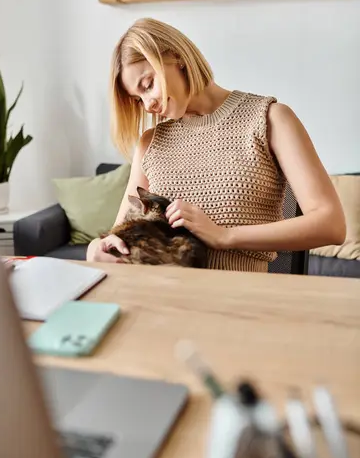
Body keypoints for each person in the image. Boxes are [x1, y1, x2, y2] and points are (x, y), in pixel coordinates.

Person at [87, 18, 345, 271]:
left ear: (176, 57)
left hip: (239, 301)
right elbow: (118, 235)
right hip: (161, 298)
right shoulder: (151, 142)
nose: (148, 105)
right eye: (137, 99)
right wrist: (95, 249)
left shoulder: (269, 119)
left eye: (148, 85)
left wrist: (225, 236)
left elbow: (331, 224)